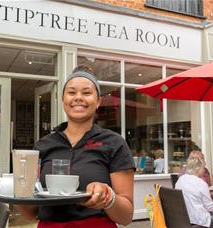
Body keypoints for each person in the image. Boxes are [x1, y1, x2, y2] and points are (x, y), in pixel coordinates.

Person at [16, 65, 135, 227]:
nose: (78, 97)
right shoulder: (43, 146)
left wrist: (109, 197)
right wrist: (14, 189)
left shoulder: (114, 143)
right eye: (71, 92)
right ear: (63, 99)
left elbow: (126, 216)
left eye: (86, 93)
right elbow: (31, 213)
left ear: (98, 101)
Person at [176, 157, 213, 228]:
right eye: (203, 168)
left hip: (185, 218)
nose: (204, 170)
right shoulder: (201, 184)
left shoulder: (180, 180)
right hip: (199, 220)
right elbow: (211, 208)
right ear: (197, 169)